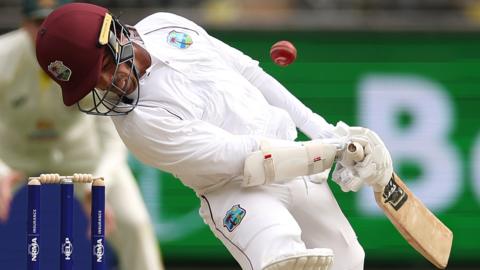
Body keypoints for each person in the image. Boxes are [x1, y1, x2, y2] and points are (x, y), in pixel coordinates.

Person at [35, 3, 393, 270]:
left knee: (350, 258)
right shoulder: (138, 125)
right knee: (283, 254)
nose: (103, 86)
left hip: (300, 170)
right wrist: (336, 150)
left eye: (103, 68)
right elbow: (247, 156)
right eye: (88, 84)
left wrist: (324, 130)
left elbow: (250, 74)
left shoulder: (164, 25)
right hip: (238, 192)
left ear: (114, 34)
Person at [0, 1, 164, 270]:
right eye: (37, 24)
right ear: (24, 25)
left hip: (82, 157)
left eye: (50, 23)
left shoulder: (88, 58)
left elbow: (112, 138)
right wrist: (1, 171)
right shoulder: (3, 55)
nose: (44, 32)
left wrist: (100, 182)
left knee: (135, 224)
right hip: (13, 158)